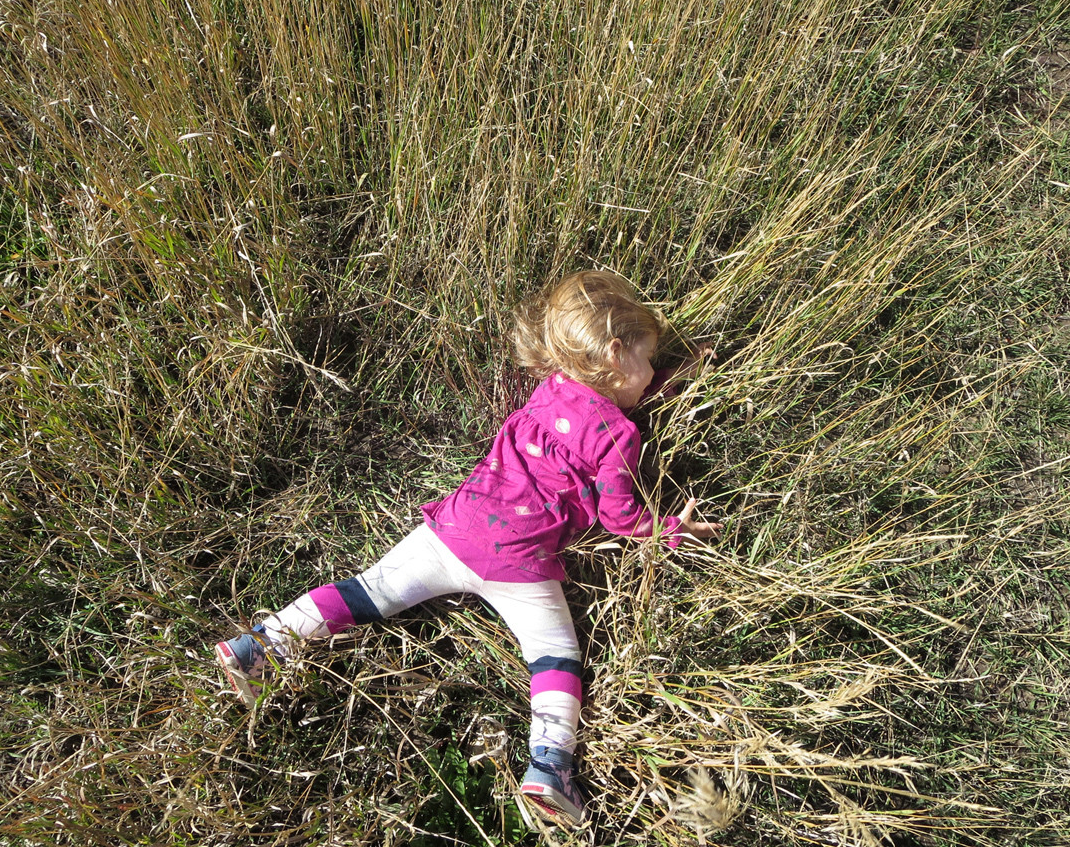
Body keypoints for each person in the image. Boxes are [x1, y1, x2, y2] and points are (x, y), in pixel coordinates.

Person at [214, 271, 721, 827]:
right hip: (520, 563)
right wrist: (672, 529)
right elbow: (618, 516)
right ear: (616, 353)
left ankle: (257, 645)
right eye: (647, 360)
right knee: (555, 659)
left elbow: (609, 399)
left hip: (453, 528)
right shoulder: (620, 435)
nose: (649, 373)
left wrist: (668, 378)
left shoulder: (552, 385)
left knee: (365, 591)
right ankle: (550, 770)